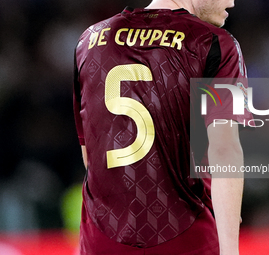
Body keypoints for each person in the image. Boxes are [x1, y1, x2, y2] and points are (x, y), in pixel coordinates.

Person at [73, 0, 253, 254]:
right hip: (187, 238)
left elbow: (90, 156)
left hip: (102, 240)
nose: (232, 2)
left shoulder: (88, 42)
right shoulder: (215, 43)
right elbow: (224, 150)